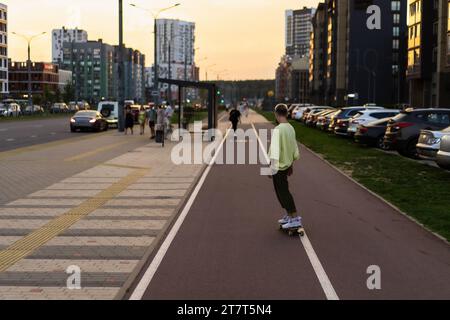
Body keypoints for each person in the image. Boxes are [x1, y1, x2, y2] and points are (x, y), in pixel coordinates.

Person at [268, 104, 302, 231]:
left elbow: (275, 151)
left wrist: (271, 168)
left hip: (279, 166)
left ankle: (294, 218)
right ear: (286, 114)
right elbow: (294, 148)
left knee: (283, 193)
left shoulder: (278, 129)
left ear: (276, 114)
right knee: (283, 191)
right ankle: (289, 215)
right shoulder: (291, 128)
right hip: (286, 164)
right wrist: (291, 164)